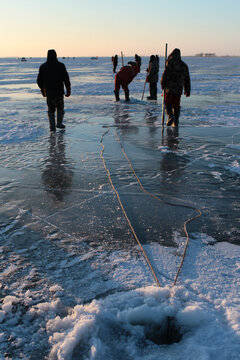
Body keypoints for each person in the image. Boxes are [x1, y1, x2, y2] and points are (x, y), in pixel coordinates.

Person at [37, 49, 71, 132]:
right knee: (60, 109)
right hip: (59, 92)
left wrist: (42, 89)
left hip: (49, 92)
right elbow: (66, 78)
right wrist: (68, 88)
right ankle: (59, 123)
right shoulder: (61, 65)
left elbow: (39, 80)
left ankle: (52, 127)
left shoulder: (43, 66)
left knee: (51, 110)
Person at [161, 48, 190, 127]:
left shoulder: (170, 62)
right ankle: (176, 121)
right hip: (178, 89)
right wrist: (187, 90)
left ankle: (171, 116)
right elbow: (187, 79)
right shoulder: (184, 65)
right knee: (176, 105)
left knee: (167, 103)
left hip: (169, 88)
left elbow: (165, 74)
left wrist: (163, 84)